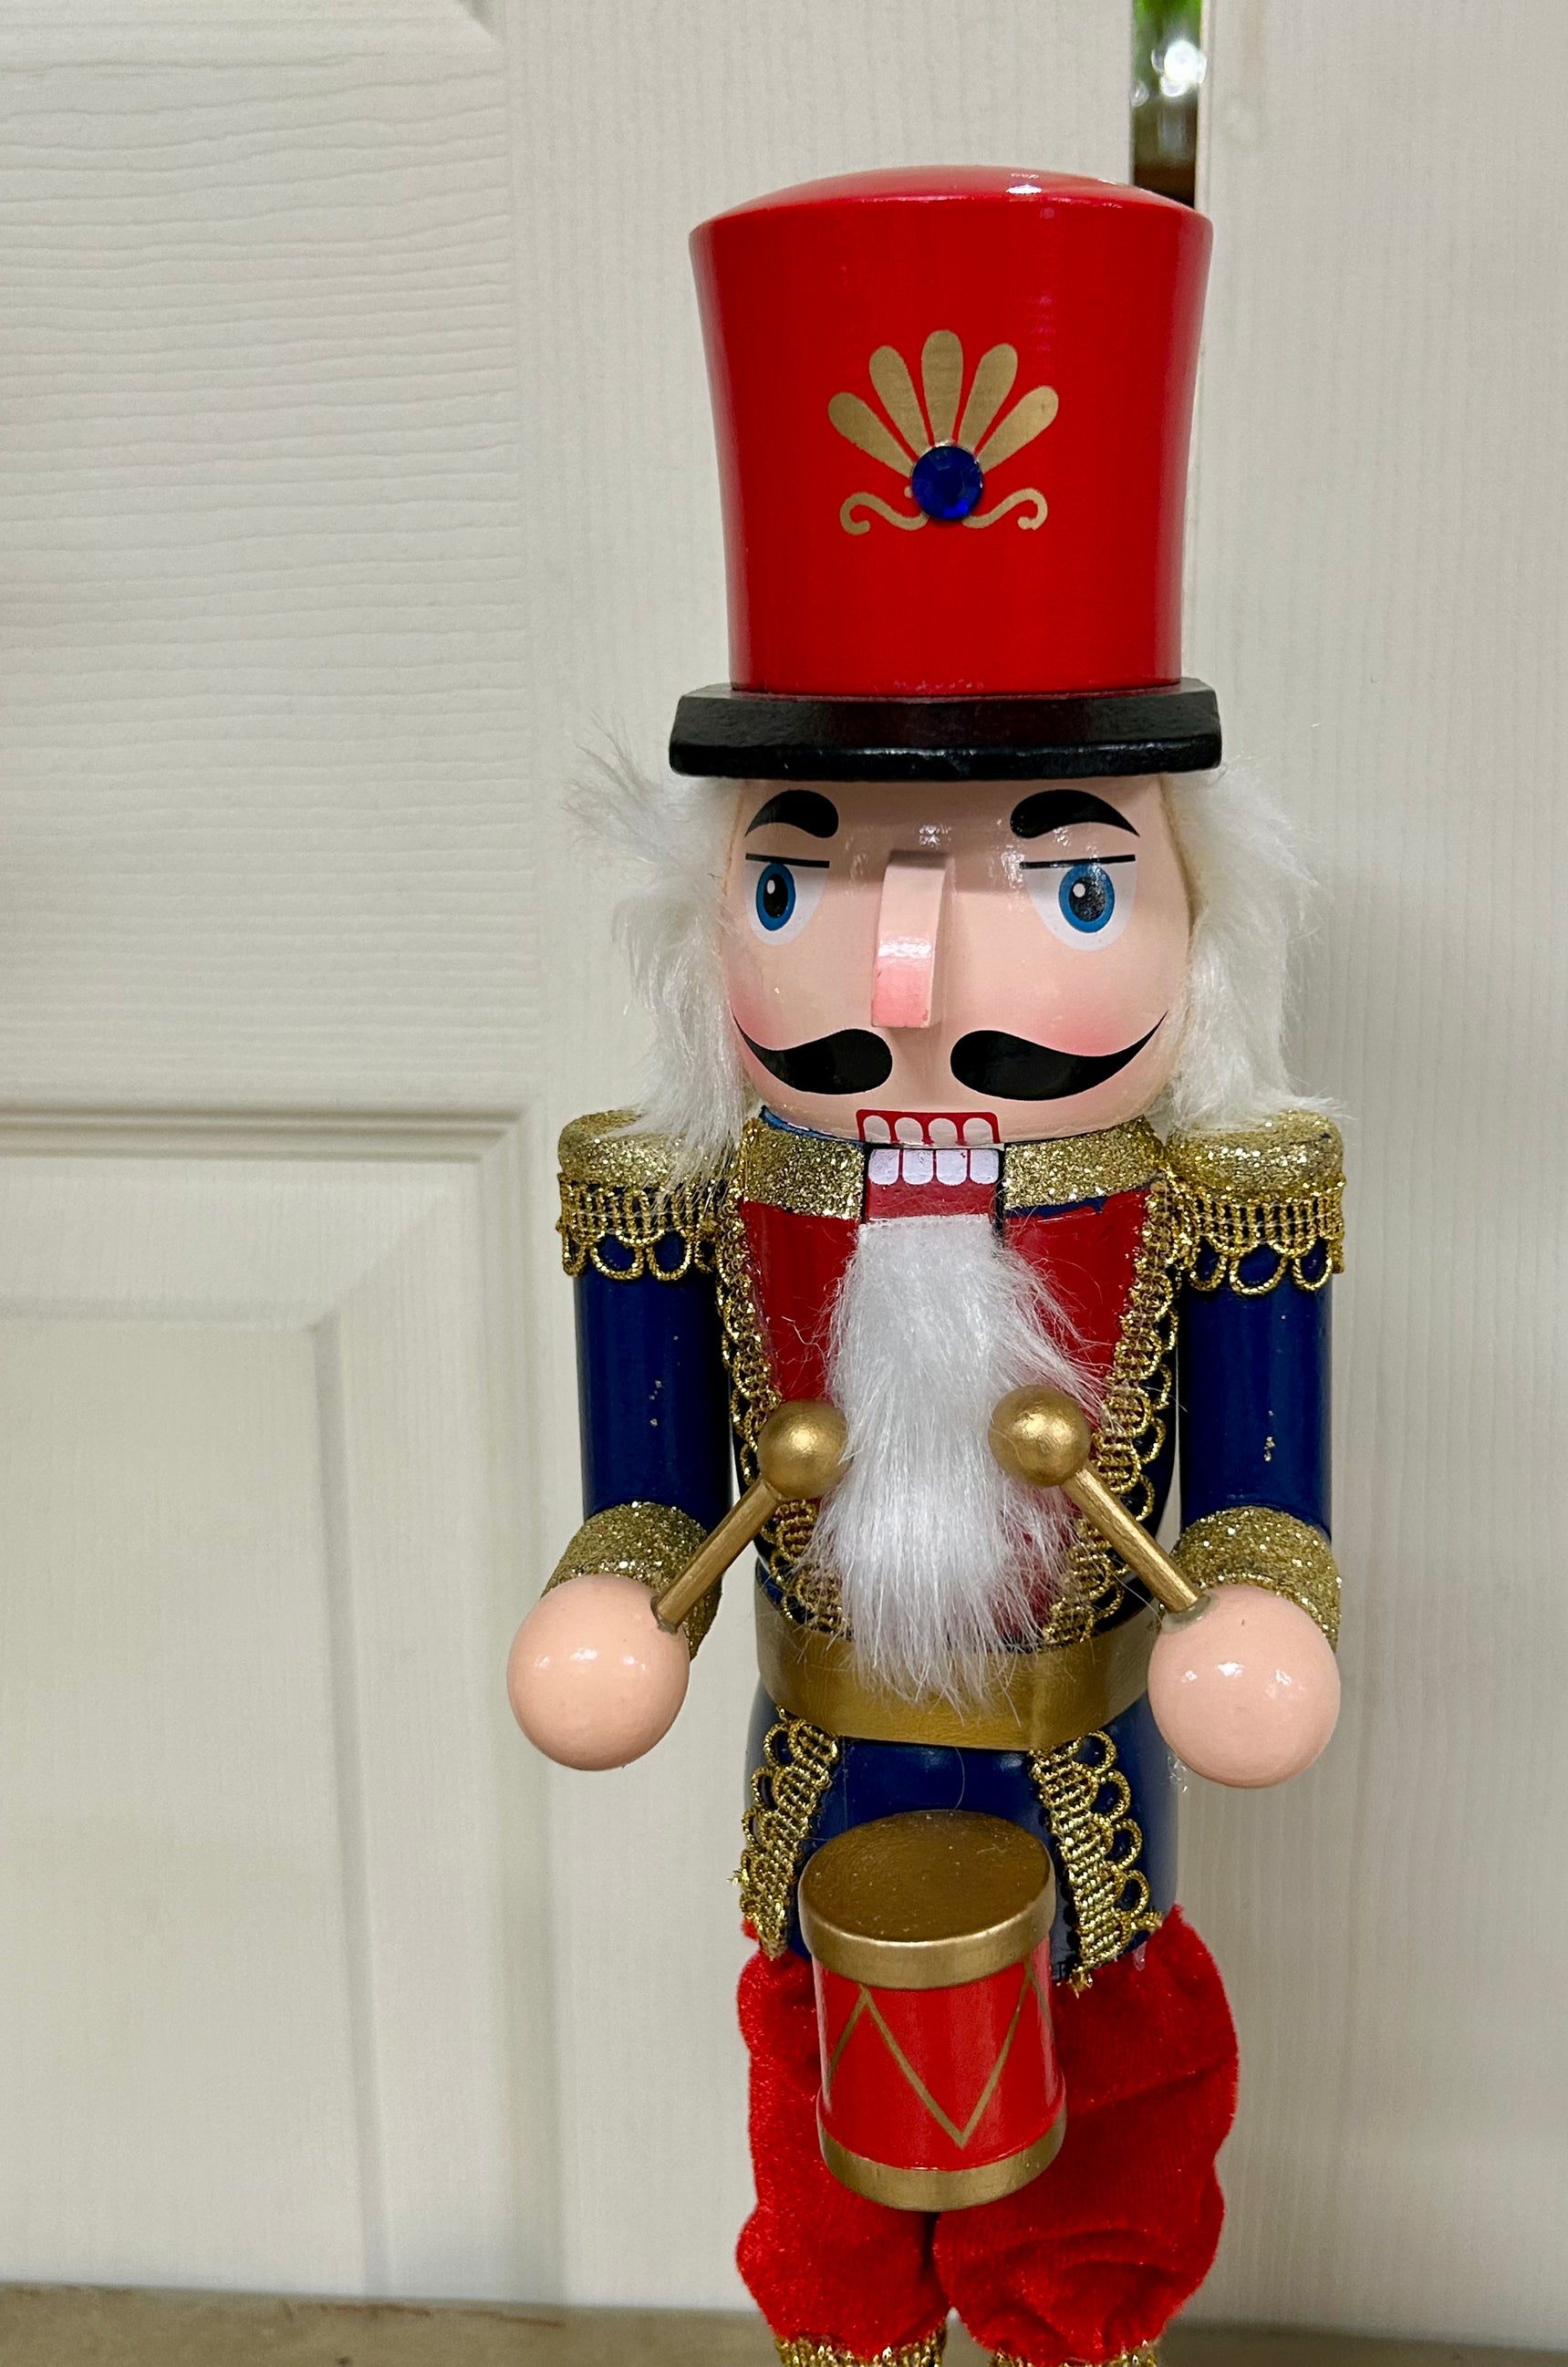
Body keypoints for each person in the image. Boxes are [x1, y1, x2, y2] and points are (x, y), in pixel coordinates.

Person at [508, 169, 1346, 2367]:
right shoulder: (682, 1188)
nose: (905, 976)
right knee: (821, 2123)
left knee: (1107, 2112)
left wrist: (1262, 1604)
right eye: (801, 883)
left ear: (1191, 909)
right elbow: (647, 1489)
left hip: (1087, 1788)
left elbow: (1264, 1503)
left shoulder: (1222, 1195)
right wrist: (618, 1592)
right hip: (822, 1779)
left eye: (1058, 888)